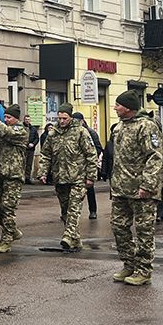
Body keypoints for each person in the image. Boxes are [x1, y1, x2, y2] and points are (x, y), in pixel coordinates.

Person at [107, 91, 162, 286]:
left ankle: (144, 270)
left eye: (118, 105)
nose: (115, 108)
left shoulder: (146, 126)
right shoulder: (119, 127)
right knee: (118, 227)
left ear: (128, 107)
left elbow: (154, 157)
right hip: (121, 188)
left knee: (144, 230)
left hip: (142, 190)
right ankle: (129, 264)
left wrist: (146, 185)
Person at [38, 103, 98, 251]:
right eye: (59, 118)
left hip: (78, 177)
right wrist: (43, 172)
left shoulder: (81, 132)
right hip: (60, 177)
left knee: (74, 209)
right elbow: (46, 155)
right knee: (65, 211)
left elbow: (91, 154)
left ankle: (67, 236)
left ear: (70, 117)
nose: (62, 121)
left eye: (64, 118)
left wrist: (91, 176)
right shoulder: (53, 134)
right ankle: (75, 239)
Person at [0, 104, 30, 253]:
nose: (6, 119)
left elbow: (6, 133)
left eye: (8, 117)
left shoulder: (21, 130)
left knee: (7, 208)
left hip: (13, 175)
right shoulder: (0, 128)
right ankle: (12, 229)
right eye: (4, 117)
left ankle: (6, 240)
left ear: (16, 118)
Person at [72, 112, 103, 218]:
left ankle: (93, 211)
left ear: (82, 121)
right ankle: (71, 213)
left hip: (87, 166)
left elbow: (98, 148)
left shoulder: (90, 133)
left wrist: (91, 162)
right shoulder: (71, 132)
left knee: (89, 189)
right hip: (74, 167)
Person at [23, 115, 40, 184]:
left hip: (31, 149)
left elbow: (37, 138)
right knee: (22, 164)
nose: (27, 120)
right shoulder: (21, 127)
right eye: (26, 119)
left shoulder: (33, 129)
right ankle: (22, 178)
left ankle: (27, 178)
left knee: (29, 164)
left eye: (28, 119)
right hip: (23, 148)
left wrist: (33, 144)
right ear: (24, 120)